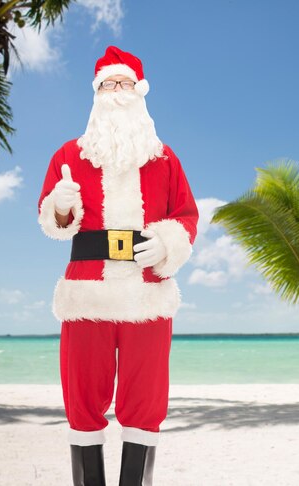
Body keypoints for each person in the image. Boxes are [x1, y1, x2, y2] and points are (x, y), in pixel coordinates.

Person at [38, 45, 198, 486]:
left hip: (147, 292)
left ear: (141, 93)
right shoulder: (68, 155)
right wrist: (61, 205)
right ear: (96, 93)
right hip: (86, 293)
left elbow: (186, 216)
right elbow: (53, 220)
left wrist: (165, 245)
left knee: (146, 401)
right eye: (109, 84)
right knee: (82, 399)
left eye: (126, 84)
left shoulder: (165, 159)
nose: (118, 92)